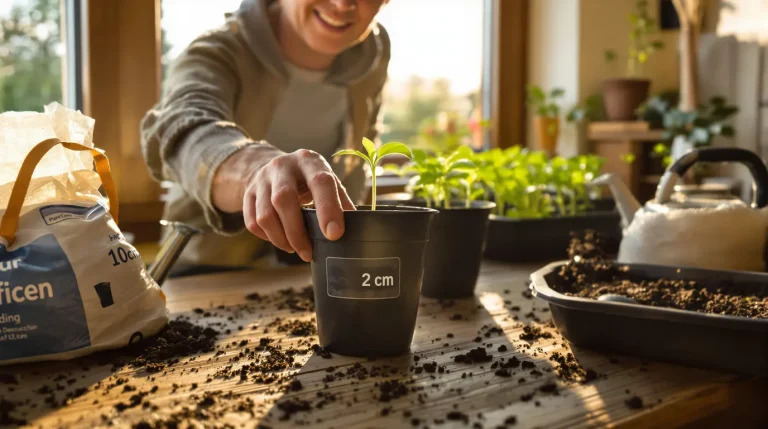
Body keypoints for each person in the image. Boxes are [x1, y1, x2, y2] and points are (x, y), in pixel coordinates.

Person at [140, 0, 391, 275]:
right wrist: (255, 171)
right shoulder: (217, 52)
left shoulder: (373, 54)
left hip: (313, 271)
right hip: (206, 272)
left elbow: (359, 157)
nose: (343, 4)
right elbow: (185, 126)